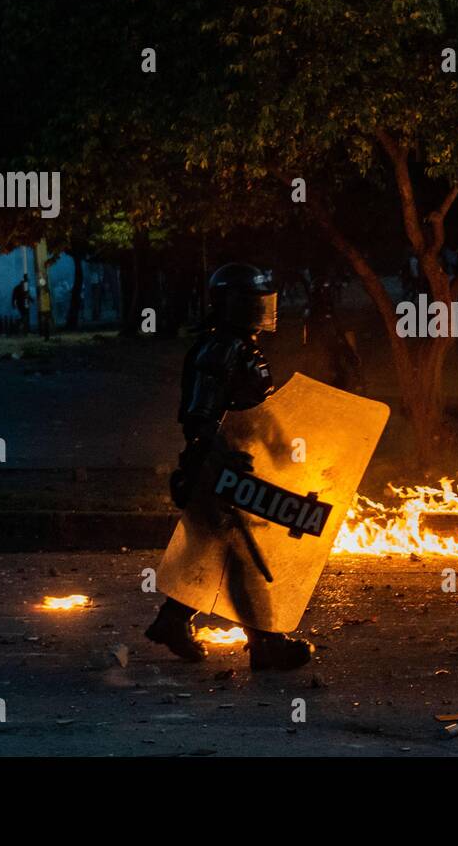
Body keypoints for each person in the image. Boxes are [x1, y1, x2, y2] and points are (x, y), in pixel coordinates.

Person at [146, 263, 315, 670]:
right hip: (221, 467)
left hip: (239, 465)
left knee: (218, 550)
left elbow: (257, 412)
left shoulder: (240, 346)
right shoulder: (221, 348)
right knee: (246, 555)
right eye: (253, 302)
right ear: (233, 305)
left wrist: (284, 452)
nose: (264, 309)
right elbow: (199, 415)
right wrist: (214, 458)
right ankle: (265, 643)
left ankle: (173, 620)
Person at [36, 275, 53, 340]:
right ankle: (46, 336)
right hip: (45, 308)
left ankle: (46, 336)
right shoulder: (45, 291)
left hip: (45, 308)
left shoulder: (44, 291)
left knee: (45, 322)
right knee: (45, 322)